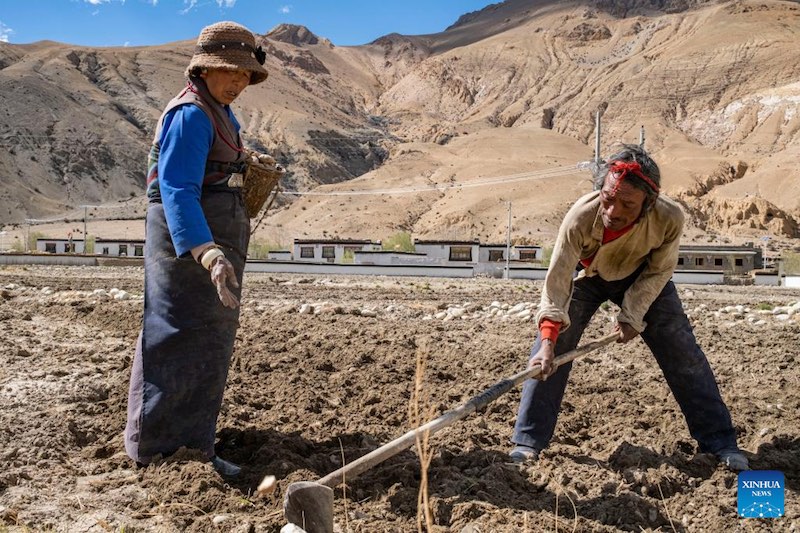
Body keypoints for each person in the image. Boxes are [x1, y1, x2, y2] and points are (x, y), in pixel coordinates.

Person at [509, 144, 749, 471]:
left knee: (681, 350)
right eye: (608, 198)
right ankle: (527, 441)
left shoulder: (669, 217)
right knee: (550, 351)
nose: (613, 211)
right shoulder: (580, 217)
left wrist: (633, 314)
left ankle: (721, 442)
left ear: (647, 204)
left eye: (627, 204)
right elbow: (559, 280)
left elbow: (660, 270)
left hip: (642, 277)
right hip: (588, 274)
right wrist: (549, 338)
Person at [125, 21, 269, 477]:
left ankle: (191, 444)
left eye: (245, 75)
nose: (238, 82)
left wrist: (246, 162)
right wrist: (206, 252)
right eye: (230, 71)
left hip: (212, 240)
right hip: (187, 245)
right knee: (177, 335)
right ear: (204, 68)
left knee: (206, 339)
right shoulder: (190, 114)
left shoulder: (219, 113)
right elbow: (177, 190)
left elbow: (210, 165)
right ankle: (163, 451)